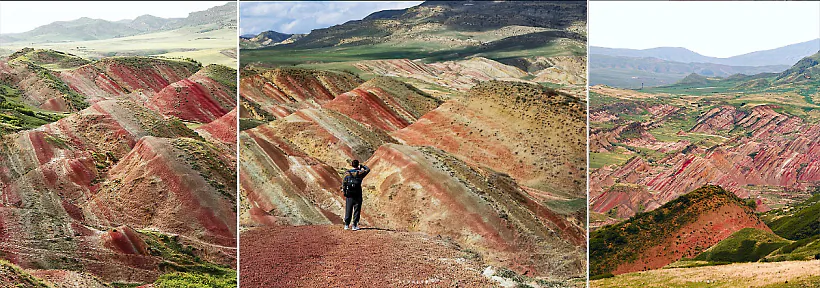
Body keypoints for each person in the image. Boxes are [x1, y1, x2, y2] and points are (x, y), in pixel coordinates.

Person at [342, 159, 369, 231]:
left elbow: (344, 183)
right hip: (358, 193)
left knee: (348, 208)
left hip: (349, 194)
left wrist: (344, 192)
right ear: (357, 165)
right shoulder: (360, 173)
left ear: (351, 165)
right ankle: (354, 225)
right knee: (357, 209)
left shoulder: (347, 173)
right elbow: (368, 169)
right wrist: (362, 166)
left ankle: (347, 225)